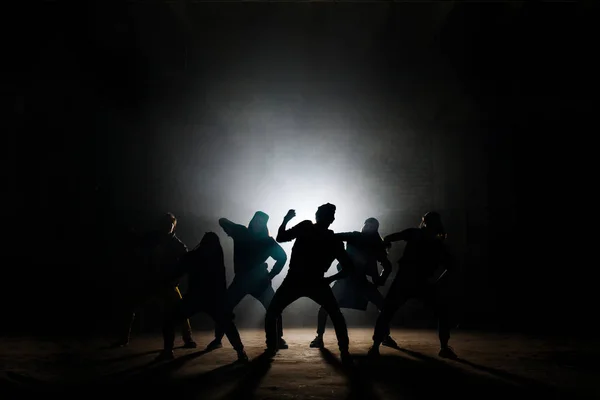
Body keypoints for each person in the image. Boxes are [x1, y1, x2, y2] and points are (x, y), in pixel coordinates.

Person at [265, 204, 354, 364]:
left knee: (272, 313)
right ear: (332, 219)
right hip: (315, 281)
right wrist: (330, 278)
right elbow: (348, 268)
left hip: (296, 279)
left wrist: (286, 220)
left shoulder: (307, 227)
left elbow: (280, 237)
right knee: (336, 316)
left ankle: (271, 348)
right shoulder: (333, 240)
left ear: (317, 216)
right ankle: (344, 351)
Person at [368, 212, 458, 359]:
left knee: (387, 312)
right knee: (442, 312)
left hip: (406, 279)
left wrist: (384, 250)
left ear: (424, 222)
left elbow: (389, 238)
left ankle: (375, 346)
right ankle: (444, 347)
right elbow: (451, 267)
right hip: (421, 282)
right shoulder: (438, 243)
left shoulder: (417, 234)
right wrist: (436, 282)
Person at [157, 232, 248, 362]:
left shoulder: (195, 257)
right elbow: (221, 284)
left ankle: (167, 351)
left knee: (170, 320)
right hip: (208, 299)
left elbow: (177, 271)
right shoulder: (215, 257)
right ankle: (241, 352)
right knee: (227, 324)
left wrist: (168, 278)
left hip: (200, 298)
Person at [309, 217, 398, 349]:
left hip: (360, 281)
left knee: (384, 307)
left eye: (371, 226)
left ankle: (385, 336)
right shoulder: (355, 236)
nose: (367, 227)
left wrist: (379, 280)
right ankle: (319, 337)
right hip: (345, 279)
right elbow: (334, 237)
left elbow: (388, 266)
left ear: (375, 229)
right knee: (325, 307)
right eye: (366, 224)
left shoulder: (375, 245)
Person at [111, 213, 196, 348]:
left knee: (181, 311)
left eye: (170, 225)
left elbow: (185, 263)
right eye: (165, 224)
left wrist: (176, 280)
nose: (167, 227)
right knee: (130, 306)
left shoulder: (177, 244)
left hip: (167, 282)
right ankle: (123, 338)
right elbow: (137, 244)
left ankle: (188, 339)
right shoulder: (152, 238)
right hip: (150, 280)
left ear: (174, 227)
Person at [206, 211, 289, 350]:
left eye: (261, 222)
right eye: (256, 220)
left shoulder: (267, 241)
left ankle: (278, 338)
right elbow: (222, 220)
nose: (258, 224)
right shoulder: (241, 232)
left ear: (264, 225)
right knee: (224, 308)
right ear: (252, 221)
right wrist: (231, 225)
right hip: (241, 280)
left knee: (274, 307)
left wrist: (271, 275)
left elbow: (283, 257)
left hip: (260, 282)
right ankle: (218, 339)